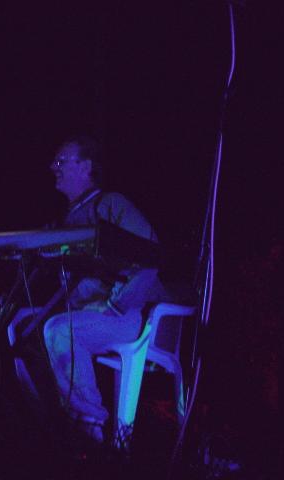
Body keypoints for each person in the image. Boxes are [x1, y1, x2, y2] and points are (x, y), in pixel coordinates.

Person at [41, 135, 172, 444]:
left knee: (60, 331)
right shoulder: (68, 218)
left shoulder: (111, 204)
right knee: (28, 329)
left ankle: (89, 429)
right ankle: (54, 422)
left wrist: (117, 304)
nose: (53, 167)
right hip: (93, 313)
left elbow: (151, 258)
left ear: (86, 167)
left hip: (131, 315)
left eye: (61, 162)